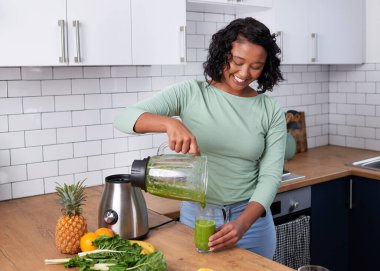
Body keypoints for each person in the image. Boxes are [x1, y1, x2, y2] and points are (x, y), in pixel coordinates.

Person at [114, 17, 286, 259]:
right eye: (237, 61)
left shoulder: (270, 109)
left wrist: (243, 224)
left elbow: (270, 176)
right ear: (223, 53)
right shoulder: (190, 93)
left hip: (252, 223)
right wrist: (169, 123)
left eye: (256, 66)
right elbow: (123, 118)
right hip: (197, 218)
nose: (244, 73)